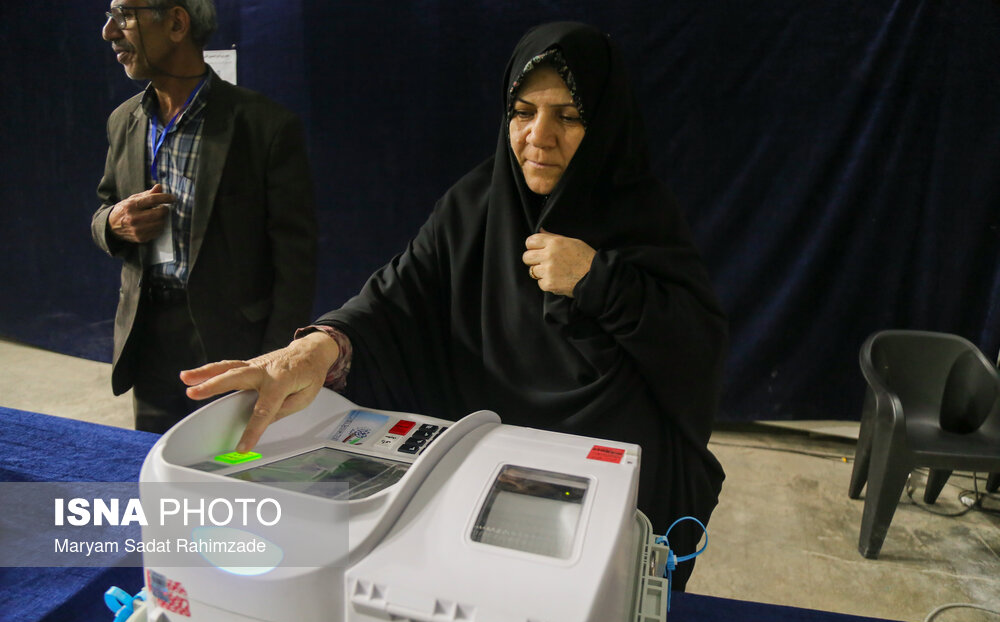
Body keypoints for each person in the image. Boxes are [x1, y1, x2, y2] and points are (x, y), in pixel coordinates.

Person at [183, 22, 726, 588]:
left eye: (568, 116)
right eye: (523, 111)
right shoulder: (476, 205)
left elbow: (696, 352)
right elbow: (395, 299)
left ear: (605, 121)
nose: (539, 137)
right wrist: (320, 348)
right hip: (483, 481)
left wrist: (599, 280)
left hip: (611, 491)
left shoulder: (643, 216)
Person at [93, 0, 317, 433]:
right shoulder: (125, 121)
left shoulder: (264, 126)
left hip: (233, 341)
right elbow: (105, 207)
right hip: (148, 335)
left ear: (176, 23)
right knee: (155, 468)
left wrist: (275, 357)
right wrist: (113, 223)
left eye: (123, 15)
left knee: (235, 465)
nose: (109, 32)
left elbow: (295, 260)